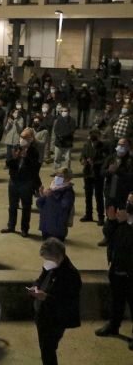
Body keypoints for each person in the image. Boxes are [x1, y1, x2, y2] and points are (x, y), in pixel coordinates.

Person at [28, 238, 81, 365]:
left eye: (48, 258)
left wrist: (46, 297)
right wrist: (35, 286)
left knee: (48, 349)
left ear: (58, 256)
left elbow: (69, 302)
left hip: (56, 319)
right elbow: (40, 279)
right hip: (43, 314)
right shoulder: (52, 264)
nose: (46, 262)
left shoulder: (71, 275)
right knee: (44, 347)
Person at [95, 203, 133, 349]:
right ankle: (113, 325)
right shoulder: (122, 219)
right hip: (117, 267)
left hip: (131, 271)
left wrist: (124, 223)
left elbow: (128, 242)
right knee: (116, 300)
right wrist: (111, 220)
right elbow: (108, 235)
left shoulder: (126, 222)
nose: (128, 205)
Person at [3, 128, 42, 237]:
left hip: (26, 182)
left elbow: (35, 169)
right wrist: (14, 158)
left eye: (25, 138)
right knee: (12, 205)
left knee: (26, 206)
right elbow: (8, 163)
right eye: (21, 137)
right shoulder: (16, 147)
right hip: (14, 181)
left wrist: (27, 157)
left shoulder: (34, 151)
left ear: (31, 139)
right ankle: (11, 226)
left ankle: (24, 229)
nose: (22, 139)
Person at [37, 168, 76, 242]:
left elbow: (65, 207)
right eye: (57, 175)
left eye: (61, 176)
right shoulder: (51, 188)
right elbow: (39, 204)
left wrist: (52, 195)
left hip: (57, 228)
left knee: (57, 251)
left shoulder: (68, 192)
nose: (57, 178)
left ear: (68, 179)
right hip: (45, 226)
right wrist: (43, 195)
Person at [79, 130, 108, 226]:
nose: (93, 142)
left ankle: (101, 217)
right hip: (87, 173)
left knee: (98, 196)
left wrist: (94, 163)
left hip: (98, 174)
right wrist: (83, 160)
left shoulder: (103, 147)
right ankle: (88, 214)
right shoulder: (86, 145)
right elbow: (82, 155)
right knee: (88, 195)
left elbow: (105, 160)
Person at [53, 105, 76, 171]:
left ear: (69, 112)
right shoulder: (58, 120)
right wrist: (59, 135)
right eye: (62, 111)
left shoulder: (72, 121)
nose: (63, 112)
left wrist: (62, 136)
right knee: (57, 159)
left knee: (67, 159)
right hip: (59, 143)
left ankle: (67, 172)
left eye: (65, 111)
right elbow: (55, 130)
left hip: (67, 143)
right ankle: (57, 171)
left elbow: (71, 131)